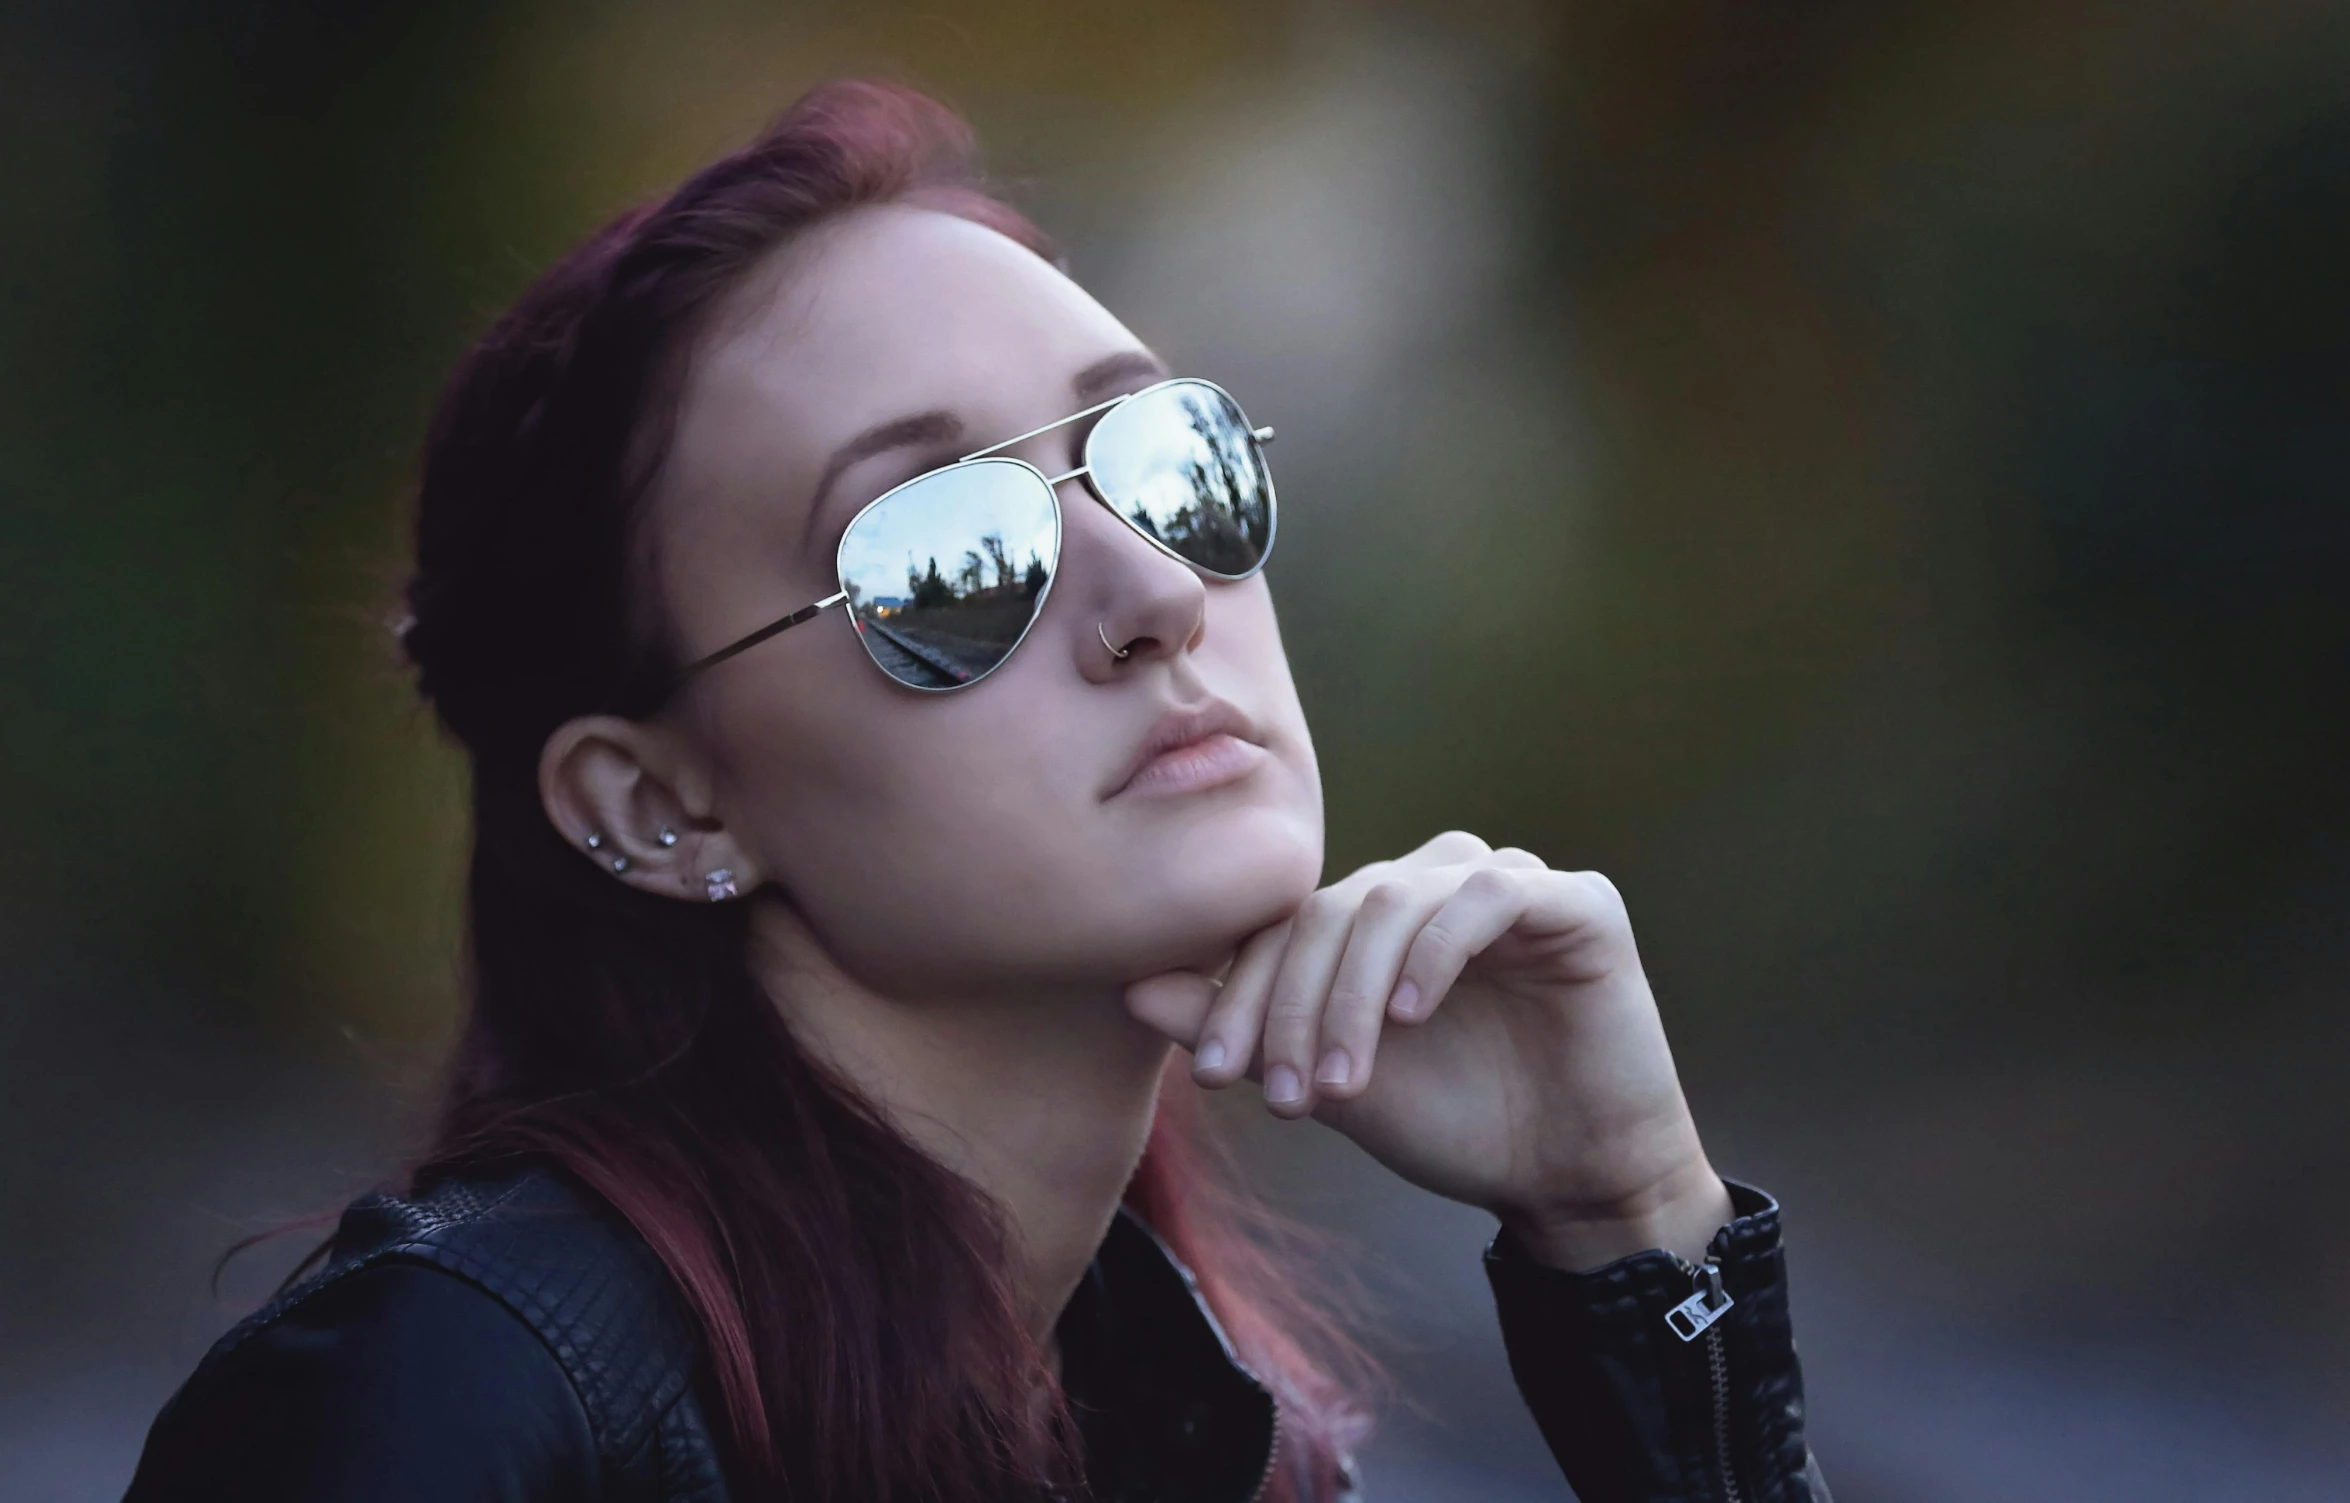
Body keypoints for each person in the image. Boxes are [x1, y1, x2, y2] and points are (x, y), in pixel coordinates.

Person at [122, 80, 1826, 1503]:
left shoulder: (1176, 1423)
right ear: (663, 805)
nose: (1151, 594)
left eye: (1168, 461)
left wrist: (1627, 1230)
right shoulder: (453, 1400)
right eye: (942, 555)